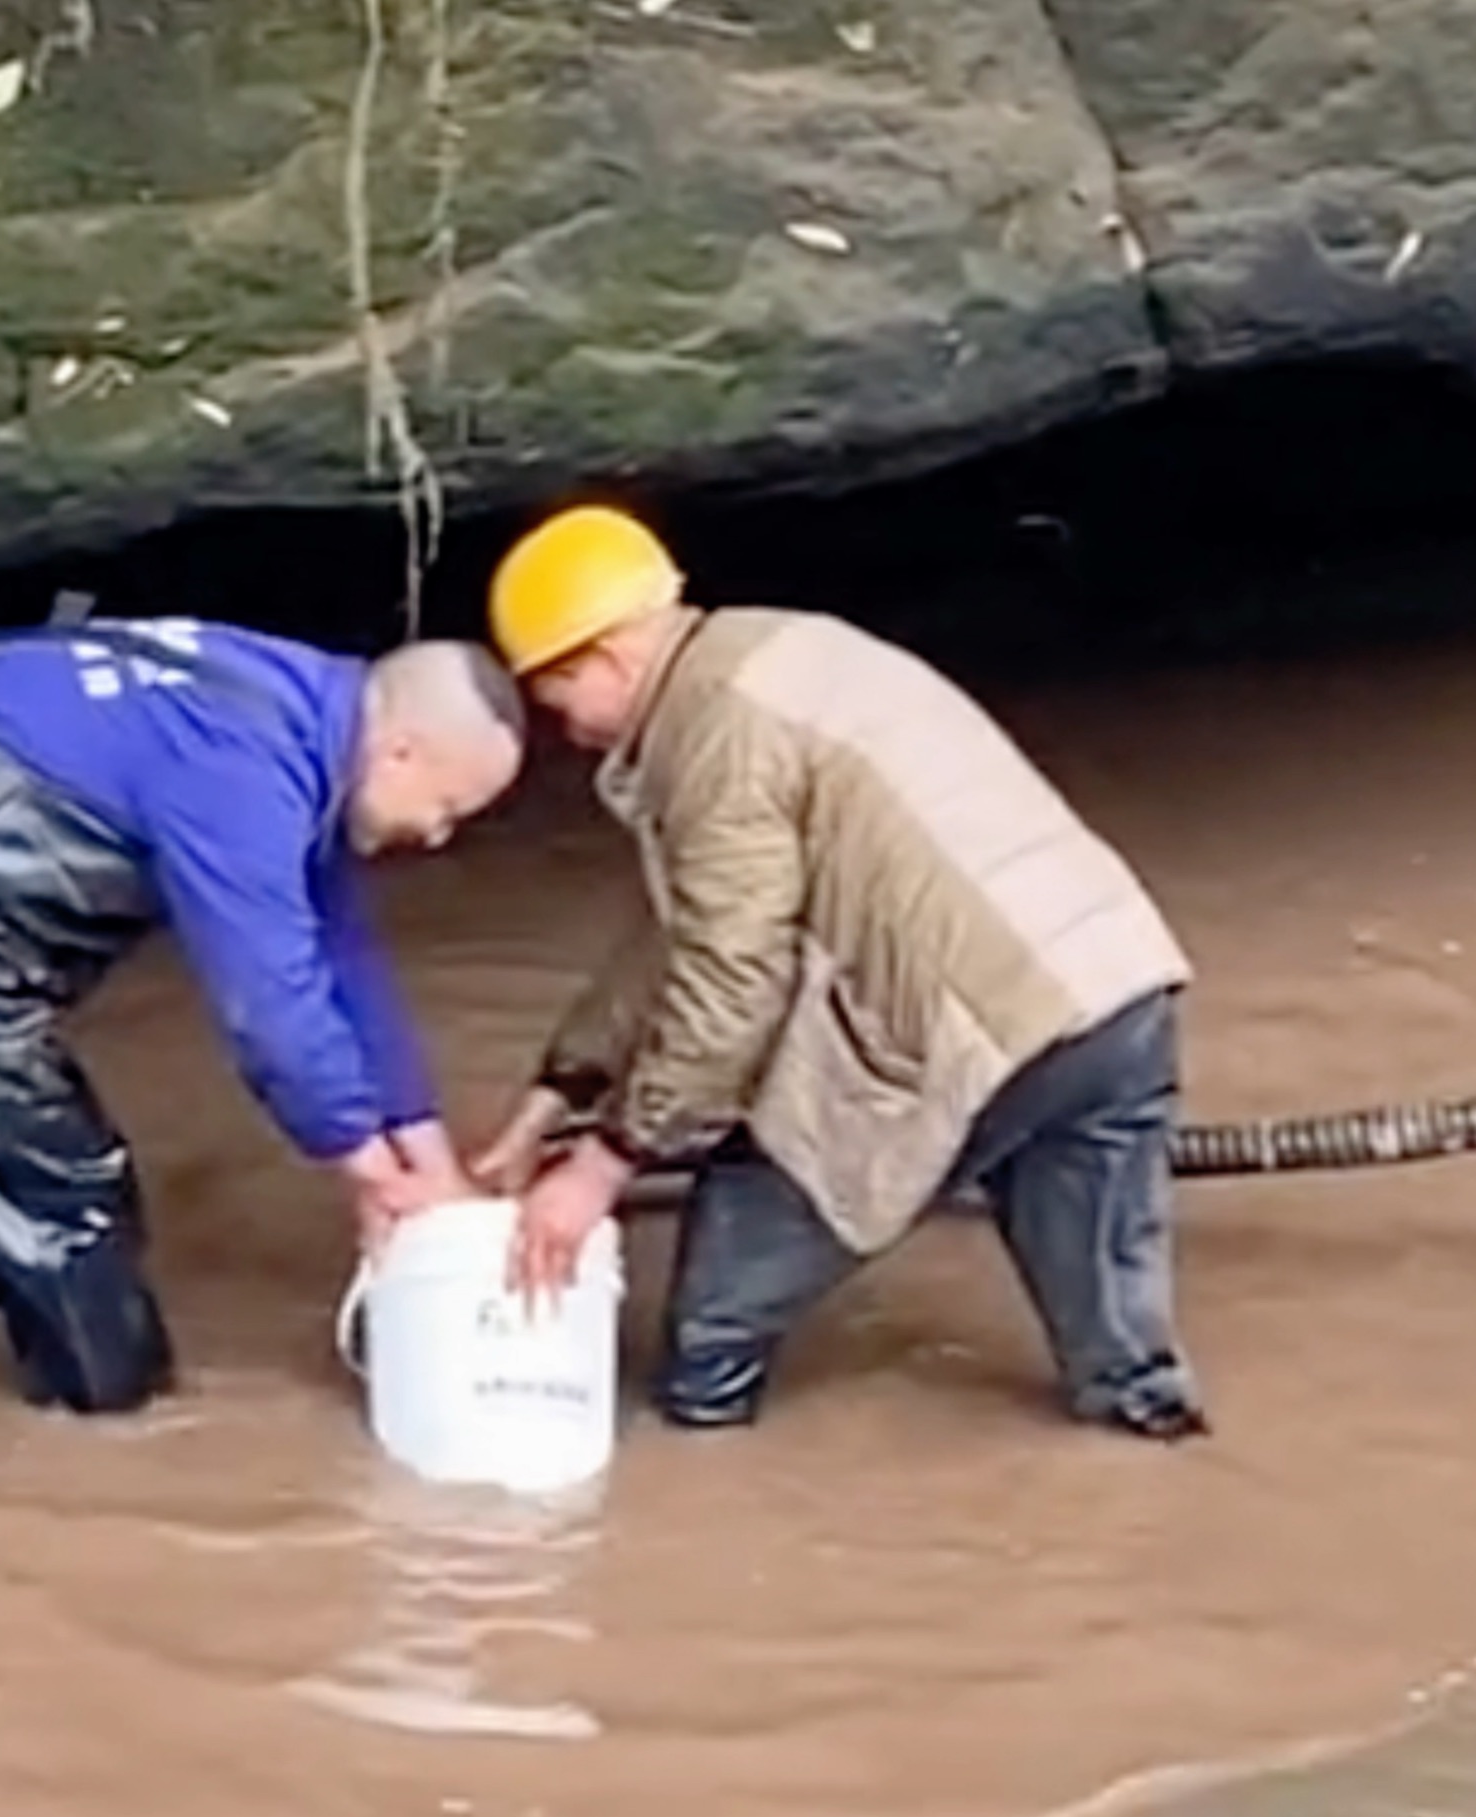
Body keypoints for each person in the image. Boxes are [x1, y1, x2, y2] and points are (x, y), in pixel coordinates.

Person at [466, 504, 1211, 1442]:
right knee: (1120, 1355)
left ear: (603, 660)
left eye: (554, 700)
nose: (565, 735)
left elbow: (731, 977)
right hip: (1115, 986)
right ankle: (1149, 1442)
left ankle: (702, 1463)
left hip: (980, 1030)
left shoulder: (714, 738)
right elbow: (684, 931)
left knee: (719, 1306)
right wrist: (557, 1094)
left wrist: (605, 1163)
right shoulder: (778, 651)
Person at [0, 612, 529, 1417]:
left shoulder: (300, 709)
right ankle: (97, 1426)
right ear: (400, 751)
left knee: (10, 1154)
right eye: (447, 806)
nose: (439, 836)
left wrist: (433, 1168)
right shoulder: (244, 771)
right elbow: (269, 1008)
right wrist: (371, 1173)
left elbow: (344, 961)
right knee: (79, 1207)